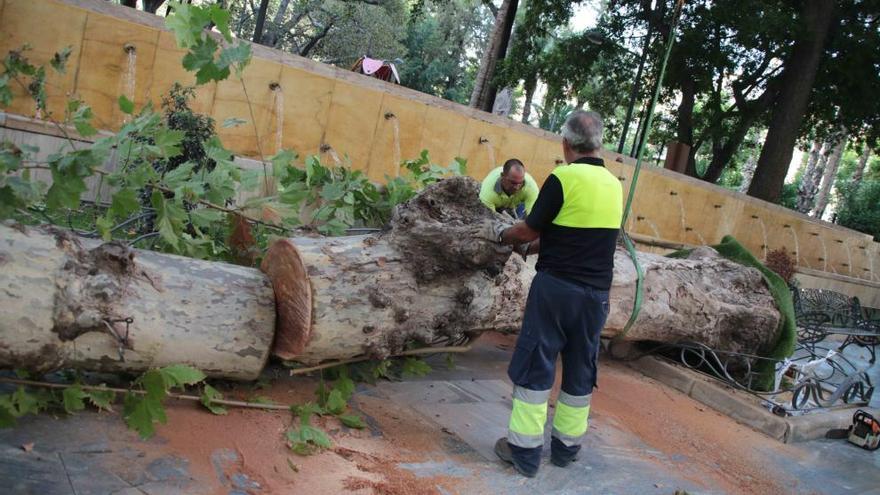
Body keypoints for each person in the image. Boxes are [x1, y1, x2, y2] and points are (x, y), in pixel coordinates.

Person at [479, 110, 623, 477]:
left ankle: (524, 453)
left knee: (537, 362)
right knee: (580, 367)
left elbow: (528, 231)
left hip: (557, 288)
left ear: (565, 144)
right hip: (596, 297)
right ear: (599, 144)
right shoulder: (613, 184)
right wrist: (537, 245)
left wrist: (500, 235)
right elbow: (577, 236)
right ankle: (566, 448)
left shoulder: (563, 177)